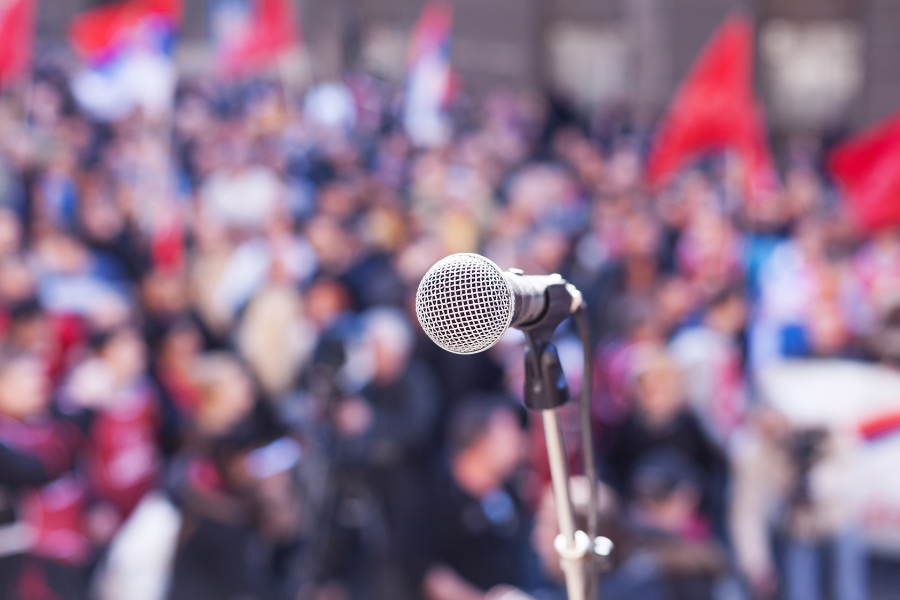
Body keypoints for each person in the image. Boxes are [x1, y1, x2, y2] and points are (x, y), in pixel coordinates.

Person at [396, 395, 538, 600]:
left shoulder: (511, 493)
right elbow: (424, 570)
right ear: (479, 441)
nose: (520, 444)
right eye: (508, 435)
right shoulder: (433, 497)